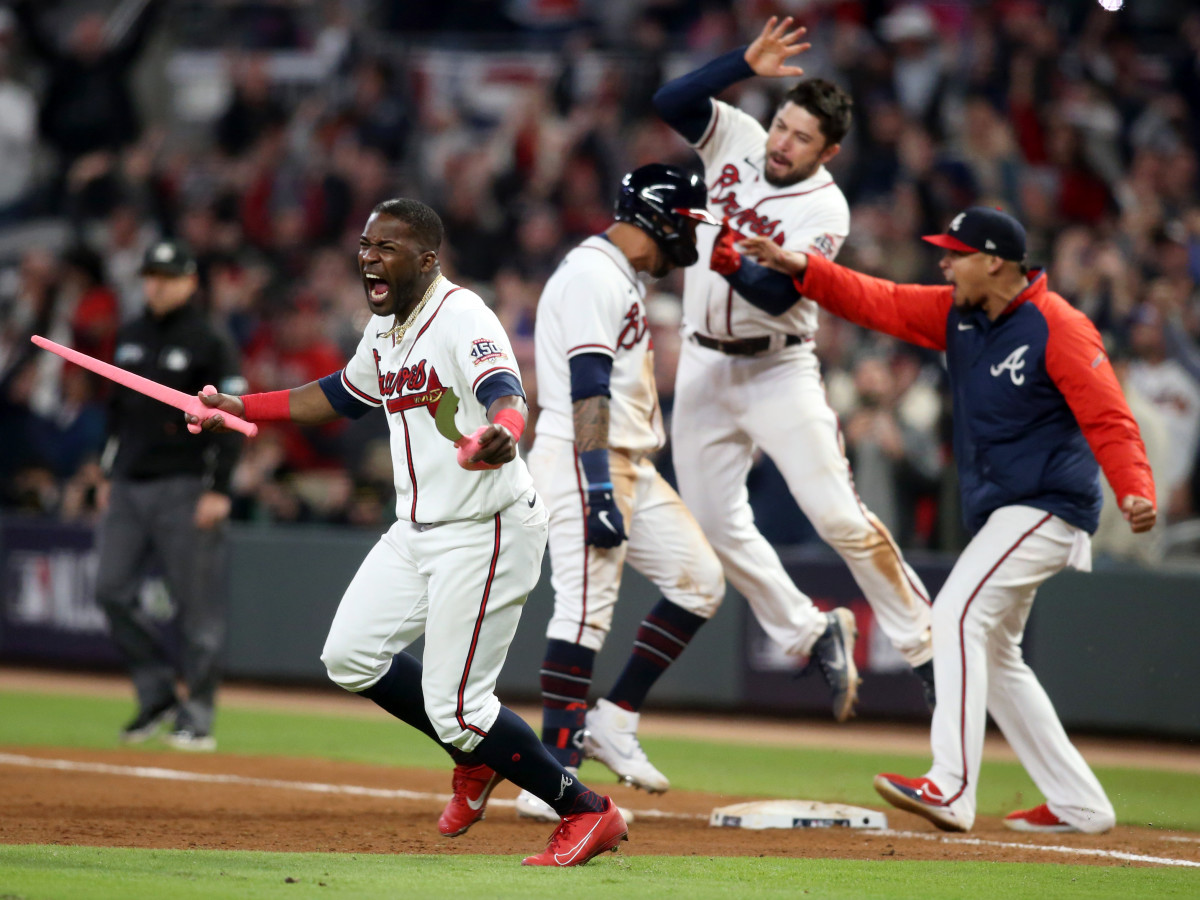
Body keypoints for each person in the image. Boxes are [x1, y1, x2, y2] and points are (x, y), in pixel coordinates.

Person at [193, 198, 627, 866]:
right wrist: (240, 408)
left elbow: (506, 392)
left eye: (387, 246)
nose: (369, 255)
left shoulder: (462, 315)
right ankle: (474, 755)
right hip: (418, 528)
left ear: (426, 259)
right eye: (366, 243)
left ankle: (586, 810)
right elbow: (340, 394)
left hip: (486, 528)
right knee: (350, 656)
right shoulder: (386, 327)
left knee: (459, 707)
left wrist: (502, 436)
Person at [736, 205, 1157, 834]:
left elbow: (1110, 417)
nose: (944, 262)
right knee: (996, 650)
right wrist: (804, 268)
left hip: (1050, 507)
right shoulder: (961, 314)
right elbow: (877, 299)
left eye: (956, 253)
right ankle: (1079, 802)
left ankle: (953, 784)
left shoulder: (1058, 325)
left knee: (956, 613)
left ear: (994, 261)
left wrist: (1134, 487)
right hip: (1008, 514)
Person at [652, 16, 934, 719]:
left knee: (840, 516)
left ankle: (928, 645)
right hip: (703, 369)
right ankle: (812, 631)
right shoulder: (740, 139)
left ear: (828, 151)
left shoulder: (825, 206)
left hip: (779, 371)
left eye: (801, 137)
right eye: (782, 125)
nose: (781, 142)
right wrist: (739, 64)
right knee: (716, 527)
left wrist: (726, 260)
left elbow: (779, 295)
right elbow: (671, 102)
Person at [514, 164, 725, 821]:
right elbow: (586, 387)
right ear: (657, 216)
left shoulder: (619, 276)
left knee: (701, 581)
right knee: (584, 611)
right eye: (685, 222)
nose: (689, 238)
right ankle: (552, 783)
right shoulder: (592, 274)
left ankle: (616, 718)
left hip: (628, 457)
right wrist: (598, 483)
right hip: (586, 454)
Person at [96, 238, 245, 751]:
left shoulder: (209, 340)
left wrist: (219, 489)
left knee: (196, 607)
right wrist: (105, 470)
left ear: (188, 281)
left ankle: (197, 716)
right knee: (109, 591)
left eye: (164, 275)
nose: (154, 284)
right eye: (149, 275)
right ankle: (158, 693)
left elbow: (230, 417)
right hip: (130, 483)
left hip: (186, 485)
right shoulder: (131, 334)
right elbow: (116, 411)